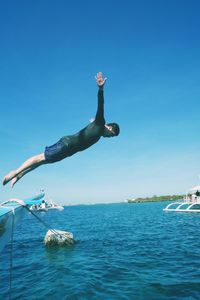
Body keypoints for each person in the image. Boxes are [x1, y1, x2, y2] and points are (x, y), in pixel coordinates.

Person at [3, 72, 120, 187]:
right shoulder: (100, 123)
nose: (110, 137)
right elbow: (101, 105)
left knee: (43, 162)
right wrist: (101, 89)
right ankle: (15, 172)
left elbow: (89, 129)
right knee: (40, 157)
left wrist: (91, 122)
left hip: (68, 152)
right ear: (109, 128)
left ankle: (20, 175)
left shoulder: (98, 133)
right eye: (112, 134)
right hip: (66, 144)